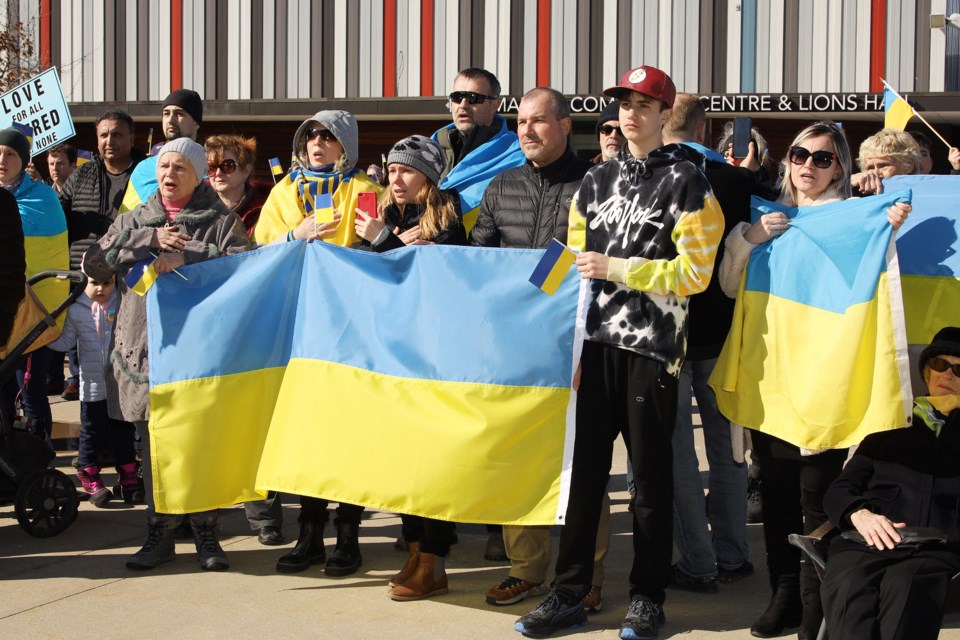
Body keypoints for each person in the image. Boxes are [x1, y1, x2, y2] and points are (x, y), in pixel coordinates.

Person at [515, 65, 724, 640]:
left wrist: (618, 269)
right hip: (593, 347)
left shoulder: (690, 182)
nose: (629, 113)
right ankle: (567, 593)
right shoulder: (595, 181)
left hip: (652, 349)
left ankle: (647, 598)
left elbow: (696, 274)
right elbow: (568, 257)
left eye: (642, 104)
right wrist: (515, 293)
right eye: (622, 103)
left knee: (649, 482)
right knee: (583, 479)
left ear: (664, 113)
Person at [716, 121, 911, 639]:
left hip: (821, 375)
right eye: (800, 154)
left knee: (816, 496)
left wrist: (884, 223)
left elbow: (876, 277)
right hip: (769, 374)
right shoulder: (765, 216)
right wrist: (748, 239)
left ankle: (814, 601)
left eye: (823, 159)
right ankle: (784, 596)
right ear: (787, 161)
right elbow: (730, 289)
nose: (808, 166)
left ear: (841, 167)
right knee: (776, 493)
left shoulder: (855, 220)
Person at [82, 138, 251, 571]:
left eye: (179, 167)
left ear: (197, 174)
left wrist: (187, 254)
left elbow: (243, 265)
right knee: (152, 446)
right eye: (163, 167)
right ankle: (158, 533)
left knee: (197, 444)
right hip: (145, 351)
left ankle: (205, 534)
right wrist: (148, 240)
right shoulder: (135, 217)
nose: (169, 175)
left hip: (199, 351)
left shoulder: (220, 220)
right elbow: (96, 263)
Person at [472, 87, 609, 613]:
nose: (527, 130)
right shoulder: (499, 185)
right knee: (518, 458)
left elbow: (594, 258)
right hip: (513, 348)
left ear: (565, 124)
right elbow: (480, 262)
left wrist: (539, 286)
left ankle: (587, 573)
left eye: (539, 121)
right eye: (521, 122)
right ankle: (525, 568)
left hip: (581, 346)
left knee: (585, 463)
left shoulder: (596, 185)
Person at [252, 109, 382, 576]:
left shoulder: (364, 190)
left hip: (348, 329)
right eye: (311, 135)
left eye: (329, 136)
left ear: (345, 143)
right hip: (297, 329)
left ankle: (348, 537)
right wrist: (294, 235)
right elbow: (259, 249)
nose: (318, 143)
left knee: (346, 435)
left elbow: (373, 255)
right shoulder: (284, 191)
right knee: (306, 433)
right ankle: (309, 535)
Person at [660, 94, 776, 595]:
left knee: (678, 454)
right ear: (706, 131)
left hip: (663, 333)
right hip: (724, 333)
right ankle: (732, 555)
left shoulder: (647, 180)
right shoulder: (738, 182)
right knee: (728, 451)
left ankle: (698, 562)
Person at [351, 134, 465, 600]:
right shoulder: (382, 217)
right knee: (402, 462)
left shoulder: (447, 221)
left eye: (408, 170)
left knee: (432, 462)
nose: (396, 179)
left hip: (435, 360)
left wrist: (383, 243)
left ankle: (434, 560)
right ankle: (415, 551)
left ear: (429, 177)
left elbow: (428, 282)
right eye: (393, 170)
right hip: (391, 356)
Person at [821, 326, 960, 640]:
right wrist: (860, 515)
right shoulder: (890, 423)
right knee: (850, 589)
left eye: (959, 369)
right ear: (926, 372)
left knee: (906, 590)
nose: (947, 375)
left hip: (935, 548)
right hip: (867, 541)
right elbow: (841, 489)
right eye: (940, 365)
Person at [0, 127, 69, 442]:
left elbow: (48, 254)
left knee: (30, 387)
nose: (2, 159)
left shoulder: (42, 197)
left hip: (33, 309)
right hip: (4, 305)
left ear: (23, 159)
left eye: (11, 153)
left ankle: (39, 454)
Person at [46, 274, 139, 506]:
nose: (100, 289)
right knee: (92, 432)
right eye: (94, 283)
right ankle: (88, 473)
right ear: (83, 283)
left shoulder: (122, 305)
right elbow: (65, 342)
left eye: (106, 283)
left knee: (123, 430)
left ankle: (128, 473)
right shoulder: (77, 310)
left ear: (114, 282)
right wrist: (47, 333)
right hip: (92, 388)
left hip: (119, 386)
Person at [432, 68, 525, 236]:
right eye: (457, 97)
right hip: (431, 254)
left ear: (494, 105)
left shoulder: (520, 154)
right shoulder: (429, 151)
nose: (463, 105)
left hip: (488, 255)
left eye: (474, 98)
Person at [120, 89, 203, 213]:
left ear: (196, 122)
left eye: (179, 114)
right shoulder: (144, 170)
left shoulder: (213, 168)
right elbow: (124, 226)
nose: (170, 120)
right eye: (166, 113)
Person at [204, 135, 270, 238]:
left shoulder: (267, 209)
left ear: (246, 171)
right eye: (211, 167)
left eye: (227, 165)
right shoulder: (198, 210)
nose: (218, 173)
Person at [851, 128, 920, 195]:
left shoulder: (925, 197)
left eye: (883, 166)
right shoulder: (858, 200)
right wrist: (847, 183)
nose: (876, 173)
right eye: (870, 168)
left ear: (908, 166)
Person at [593, 99, 624, 164]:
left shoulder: (641, 172)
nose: (613, 135)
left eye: (621, 130)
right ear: (599, 136)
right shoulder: (583, 172)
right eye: (607, 129)